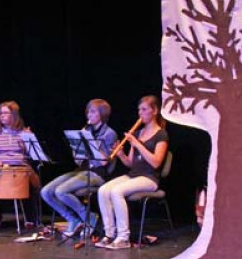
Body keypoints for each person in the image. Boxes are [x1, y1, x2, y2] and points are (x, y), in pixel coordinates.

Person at [95, 95, 169, 249]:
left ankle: (123, 238)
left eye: (144, 110)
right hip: (133, 175)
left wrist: (137, 143)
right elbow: (130, 163)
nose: (140, 114)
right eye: (139, 110)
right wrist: (121, 153)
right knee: (103, 190)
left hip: (150, 178)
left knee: (116, 191)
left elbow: (156, 162)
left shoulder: (161, 134)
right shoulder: (137, 133)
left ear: (154, 111)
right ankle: (109, 234)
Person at [41, 99, 117, 238]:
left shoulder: (109, 133)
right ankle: (72, 219)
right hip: (82, 171)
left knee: (61, 191)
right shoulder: (86, 130)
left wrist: (90, 143)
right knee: (46, 192)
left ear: (102, 114)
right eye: (88, 111)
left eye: (93, 111)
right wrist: (77, 148)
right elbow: (78, 161)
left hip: (98, 173)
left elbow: (105, 162)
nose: (89, 114)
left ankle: (89, 218)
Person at [0, 100, 41, 228]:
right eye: (1, 113)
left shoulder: (24, 133)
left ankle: (30, 217)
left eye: (6, 113)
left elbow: (33, 154)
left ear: (14, 115)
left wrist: (30, 138)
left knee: (34, 182)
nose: (2, 115)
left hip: (20, 168)